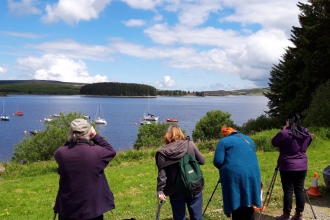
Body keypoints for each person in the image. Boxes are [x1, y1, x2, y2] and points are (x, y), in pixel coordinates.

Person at [54, 118, 116, 220]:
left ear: (70, 132)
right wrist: (95, 136)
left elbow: (62, 150)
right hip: (92, 209)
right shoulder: (96, 153)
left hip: (67, 208)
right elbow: (111, 151)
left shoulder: (61, 153)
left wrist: (70, 140)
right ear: (89, 131)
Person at [155, 125, 205, 220]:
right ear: (180, 134)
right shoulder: (189, 144)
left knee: (179, 217)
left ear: (167, 136)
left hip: (175, 189)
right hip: (194, 185)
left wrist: (160, 191)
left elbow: (162, 175)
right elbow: (202, 161)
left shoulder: (162, 152)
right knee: (197, 217)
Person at [213, 126, 261, 219]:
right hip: (253, 173)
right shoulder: (248, 139)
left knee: (236, 202)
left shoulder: (224, 141)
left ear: (225, 134)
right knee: (249, 202)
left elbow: (218, 161)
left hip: (235, 175)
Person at [272, 113, 312, 220]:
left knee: (288, 190)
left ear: (288, 121)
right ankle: (299, 214)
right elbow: (309, 141)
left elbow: (274, 142)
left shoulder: (284, 133)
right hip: (302, 165)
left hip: (287, 165)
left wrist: (284, 130)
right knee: (299, 189)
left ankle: (286, 215)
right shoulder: (306, 132)